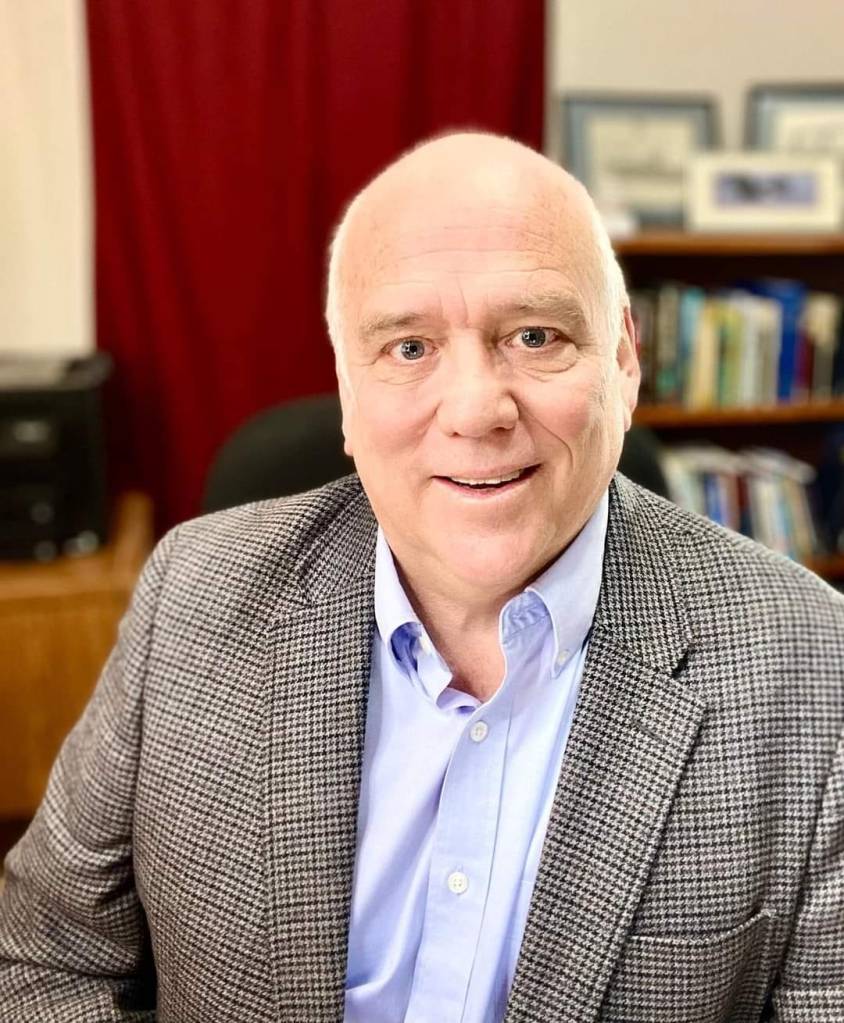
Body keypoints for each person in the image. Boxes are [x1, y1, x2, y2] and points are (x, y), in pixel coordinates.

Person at [1, 133, 842, 1023]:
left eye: (536, 335)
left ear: (624, 362)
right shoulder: (192, 594)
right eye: (409, 347)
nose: (476, 410)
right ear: (346, 390)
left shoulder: (814, 666)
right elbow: (45, 957)